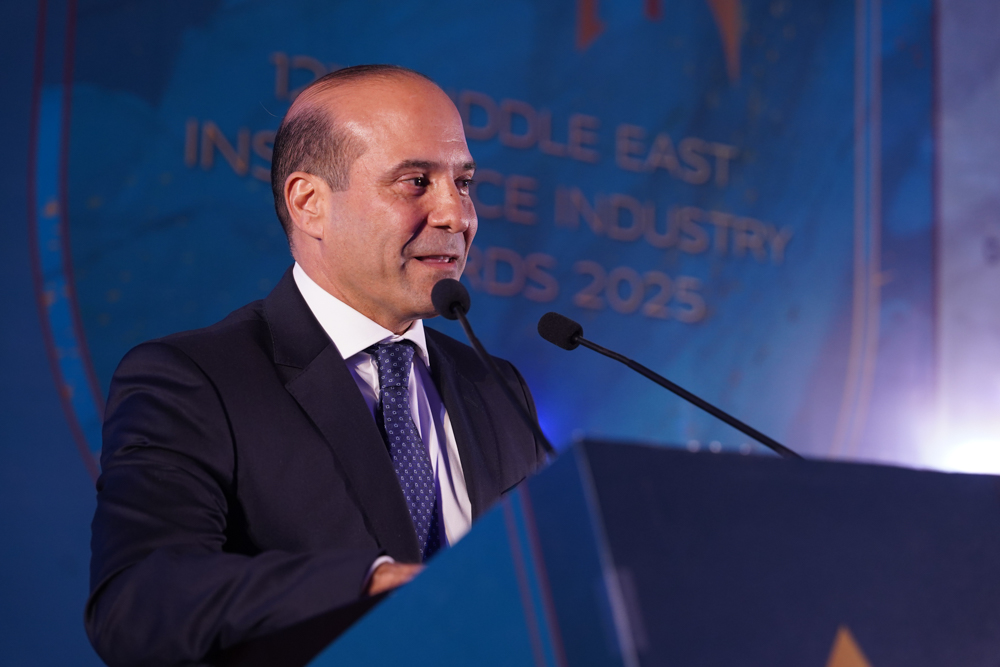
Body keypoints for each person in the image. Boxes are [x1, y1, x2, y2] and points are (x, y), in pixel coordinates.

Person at [85, 64, 547, 666]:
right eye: (415, 182)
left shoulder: (496, 387)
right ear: (309, 203)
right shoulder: (195, 380)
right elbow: (140, 599)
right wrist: (369, 586)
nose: (456, 215)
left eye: (463, 183)